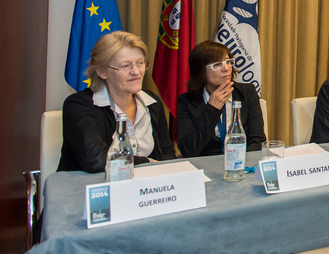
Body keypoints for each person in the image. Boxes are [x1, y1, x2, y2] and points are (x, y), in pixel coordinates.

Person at [58, 31, 176, 173]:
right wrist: (147, 162)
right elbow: (97, 160)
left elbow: (166, 152)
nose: (136, 72)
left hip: (144, 188)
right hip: (90, 189)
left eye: (140, 63)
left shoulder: (152, 102)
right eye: (125, 66)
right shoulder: (78, 105)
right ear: (102, 72)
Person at [177, 40, 265, 157]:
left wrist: (240, 165)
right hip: (206, 166)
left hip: (242, 163)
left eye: (228, 62)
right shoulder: (186, 102)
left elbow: (257, 140)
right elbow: (188, 151)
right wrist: (212, 109)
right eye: (217, 65)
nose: (226, 68)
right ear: (200, 70)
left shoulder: (247, 92)